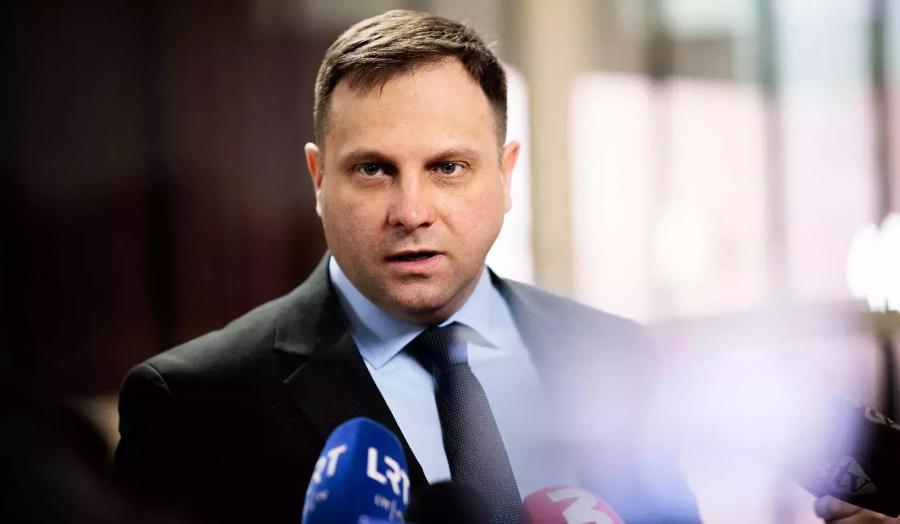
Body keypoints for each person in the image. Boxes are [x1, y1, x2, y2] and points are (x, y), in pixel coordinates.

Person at [115, 9, 884, 524]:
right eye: (374, 170)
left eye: (448, 167)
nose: (412, 209)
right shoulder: (192, 404)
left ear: (506, 174)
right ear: (319, 180)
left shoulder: (617, 355)